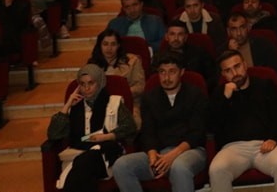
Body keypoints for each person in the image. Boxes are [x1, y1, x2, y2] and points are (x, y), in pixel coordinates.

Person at [112, 52, 208, 192]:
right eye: (162, 72)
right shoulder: (150, 97)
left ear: (181, 72)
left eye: (172, 72)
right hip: (160, 152)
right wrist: (152, 155)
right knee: (121, 165)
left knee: (179, 167)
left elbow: (197, 133)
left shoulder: (195, 94)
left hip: (191, 150)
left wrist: (172, 156)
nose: (166, 77)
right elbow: (148, 132)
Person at [207, 50, 277, 192]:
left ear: (245, 65)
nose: (234, 73)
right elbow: (212, 126)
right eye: (228, 70)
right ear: (223, 74)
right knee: (217, 169)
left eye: (237, 67)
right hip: (233, 148)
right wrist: (225, 99)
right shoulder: (219, 93)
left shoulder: (265, 85)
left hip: (265, 145)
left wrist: (273, 138)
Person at [46, 64, 137, 192]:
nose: (86, 88)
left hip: (106, 154)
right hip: (76, 155)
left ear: (99, 83)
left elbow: (130, 127)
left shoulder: (114, 102)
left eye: (91, 83)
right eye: (82, 84)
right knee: (84, 172)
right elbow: (53, 134)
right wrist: (67, 106)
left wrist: (106, 136)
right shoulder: (75, 106)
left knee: (84, 164)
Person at [88, 29, 146, 128]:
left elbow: (140, 86)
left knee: (134, 122)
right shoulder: (92, 65)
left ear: (118, 46)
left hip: (127, 103)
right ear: (100, 46)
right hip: (99, 104)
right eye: (105, 44)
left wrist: (121, 94)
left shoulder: (133, 61)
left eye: (113, 44)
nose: (109, 48)